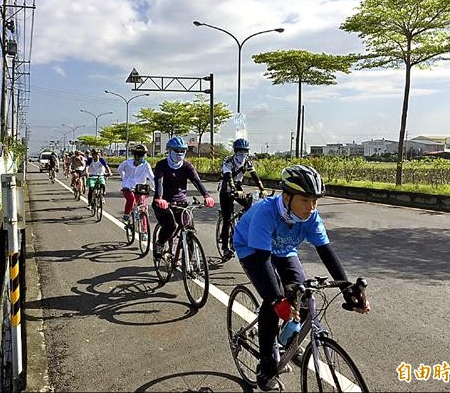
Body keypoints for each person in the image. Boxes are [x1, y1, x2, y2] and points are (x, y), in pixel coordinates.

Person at [232, 165, 370, 391]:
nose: (312, 207)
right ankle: (266, 364)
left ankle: (288, 341)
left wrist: (348, 290)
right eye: (305, 200)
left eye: (315, 200)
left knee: (304, 294)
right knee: (273, 299)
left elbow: (326, 252)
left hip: (284, 251)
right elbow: (264, 260)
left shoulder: (311, 217)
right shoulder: (264, 213)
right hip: (252, 250)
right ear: (286, 196)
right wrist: (278, 301)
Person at [152, 136, 215, 259]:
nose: (180, 153)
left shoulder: (187, 166)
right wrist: (160, 198)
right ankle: (160, 244)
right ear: (169, 151)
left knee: (189, 229)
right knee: (171, 226)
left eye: (182, 150)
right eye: (176, 150)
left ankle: (190, 262)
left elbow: (197, 181)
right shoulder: (162, 165)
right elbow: (158, 182)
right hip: (163, 203)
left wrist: (206, 196)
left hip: (181, 203)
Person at [219, 138, 266, 260]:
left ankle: (241, 223)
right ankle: (225, 248)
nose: (242, 154)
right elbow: (228, 177)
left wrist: (262, 189)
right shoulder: (228, 160)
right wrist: (235, 191)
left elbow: (255, 176)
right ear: (235, 151)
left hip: (238, 186)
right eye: (240, 152)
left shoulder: (247, 162)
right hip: (226, 187)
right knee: (227, 218)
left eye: (245, 152)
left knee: (250, 205)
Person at [117, 144, 155, 230]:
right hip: (128, 187)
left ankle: (144, 231)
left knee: (143, 208)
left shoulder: (146, 165)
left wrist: (156, 187)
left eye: (144, 155)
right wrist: (124, 179)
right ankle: (126, 216)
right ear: (136, 155)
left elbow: (152, 177)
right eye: (142, 155)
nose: (143, 157)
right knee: (131, 200)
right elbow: (120, 169)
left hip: (141, 188)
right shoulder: (127, 163)